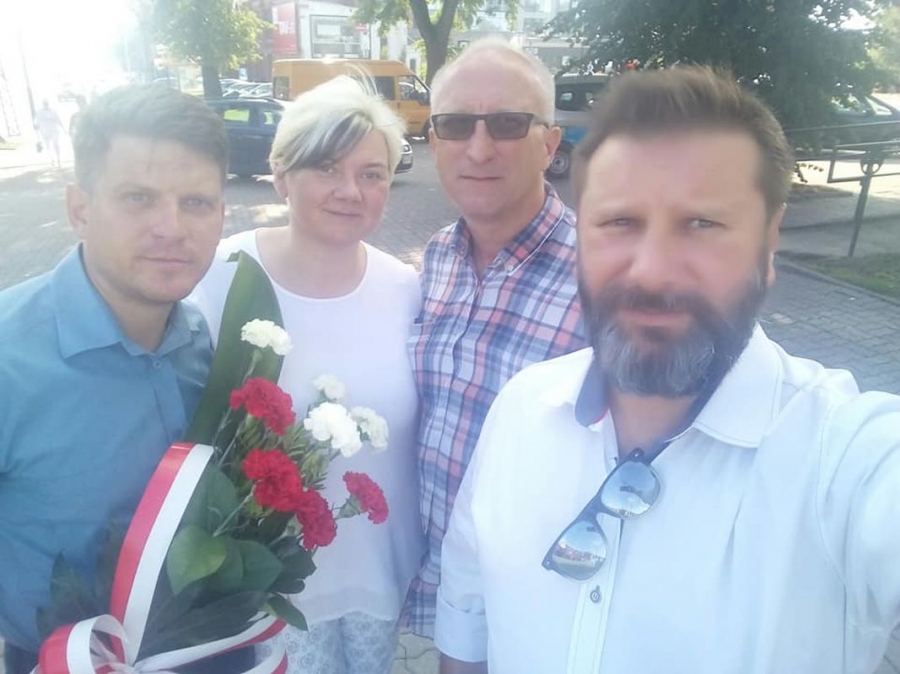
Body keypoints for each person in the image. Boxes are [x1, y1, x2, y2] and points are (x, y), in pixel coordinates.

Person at [435, 66, 900, 674]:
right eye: (619, 223)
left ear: (769, 242)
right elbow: (468, 614)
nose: (651, 271)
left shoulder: (845, 459)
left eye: (702, 224)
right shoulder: (520, 408)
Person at [189, 75, 424, 674]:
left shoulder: (405, 289)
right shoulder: (221, 277)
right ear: (281, 174)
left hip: (377, 570)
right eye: (326, 167)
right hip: (267, 589)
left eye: (371, 173)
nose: (351, 190)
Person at [0, 85, 228, 673]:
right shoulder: (8, 358)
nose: (171, 228)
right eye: (138, 198)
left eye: (196, 202)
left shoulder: (203, 340)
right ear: (79, 209)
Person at [403, 38, 586, 636]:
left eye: (507, 124)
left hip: (540, 607)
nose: (479, 149)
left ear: (550, 144)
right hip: (440, 591)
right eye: (456, 125)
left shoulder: (604, 278)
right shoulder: (438, 258)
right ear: (434, 143)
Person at [33, 99, 66, 167]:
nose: (46, 105)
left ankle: (58, 159)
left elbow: (58, 120)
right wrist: (36, 129)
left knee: (55, 144)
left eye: (46, 103)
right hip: (45, 131)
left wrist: (64, 129)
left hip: (54, 130)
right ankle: (52, 159)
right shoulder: (39, 113)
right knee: (48, 146)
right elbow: (37, 123)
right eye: (44, 103)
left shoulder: (53, 111)